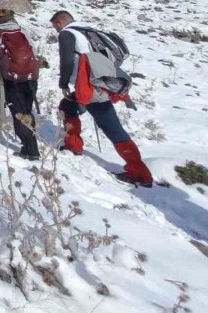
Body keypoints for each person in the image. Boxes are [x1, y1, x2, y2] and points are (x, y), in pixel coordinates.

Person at [50, 10, 153, 187]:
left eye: (55, 26)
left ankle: (139, 173)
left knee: (111, 127)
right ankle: (73, 145)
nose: (55, 30)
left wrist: (63, 83)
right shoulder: (86, 31)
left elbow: (66, 61)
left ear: (59, 22)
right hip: (97, 82)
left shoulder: (67, 34)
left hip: (90, 87)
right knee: (67, 106)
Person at [0, 9, 40, 160]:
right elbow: (33, 51)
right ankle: (31, 145)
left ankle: (31, 150)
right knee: (27, 110)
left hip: (11, 79)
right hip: (30, 77)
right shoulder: (22, 31)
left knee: (18, 113)